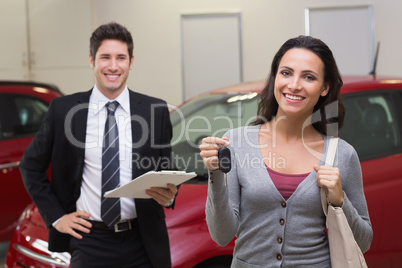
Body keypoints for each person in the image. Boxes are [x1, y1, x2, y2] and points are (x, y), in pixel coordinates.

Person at [199, 35, 373, 267]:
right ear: (274, 79)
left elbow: (364, 242)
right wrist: (215, 175)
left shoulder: (342, 154)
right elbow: (221, 235)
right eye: (286, 73)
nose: (294, 85)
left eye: (309, 77)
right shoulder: (237, 142)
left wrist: (340, 201)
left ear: (325, 88)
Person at [20, 22, 177, 268]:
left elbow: (166, 168)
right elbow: (30, 166)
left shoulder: (154, 111)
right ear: (92, 60)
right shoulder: (64, 111)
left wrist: (169, 195)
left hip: (143, 240)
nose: (113, 66)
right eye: (105, 57)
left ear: (131, 62)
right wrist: (57, 217)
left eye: (120, 58)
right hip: (90, 240)